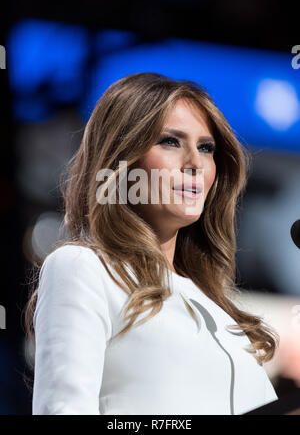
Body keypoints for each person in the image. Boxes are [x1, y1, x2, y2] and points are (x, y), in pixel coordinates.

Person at [25, 72, 279, 415]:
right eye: (170, 141)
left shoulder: (219, 309)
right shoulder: (83, 269)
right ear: (121, 161)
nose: (195, 163)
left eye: (206, 148)